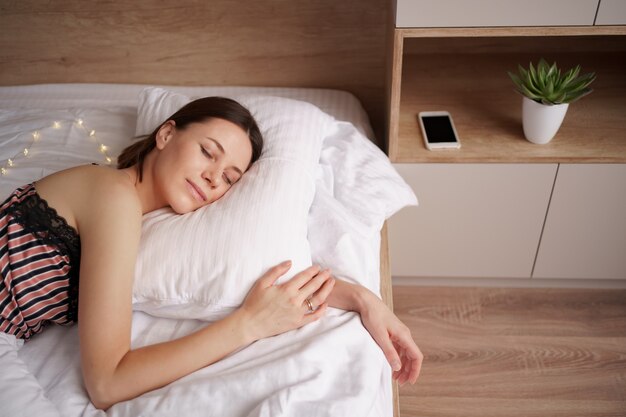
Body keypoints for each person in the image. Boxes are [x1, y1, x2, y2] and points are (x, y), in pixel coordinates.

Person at [0, 97, 422, 411]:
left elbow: (254, 268)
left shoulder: (133, 215)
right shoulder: (113, 196)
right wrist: (247, 325)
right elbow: (107, 383)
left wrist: (365, 300)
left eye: (229, 178)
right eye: (207, 151)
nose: (212, 177)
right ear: (166, 134)